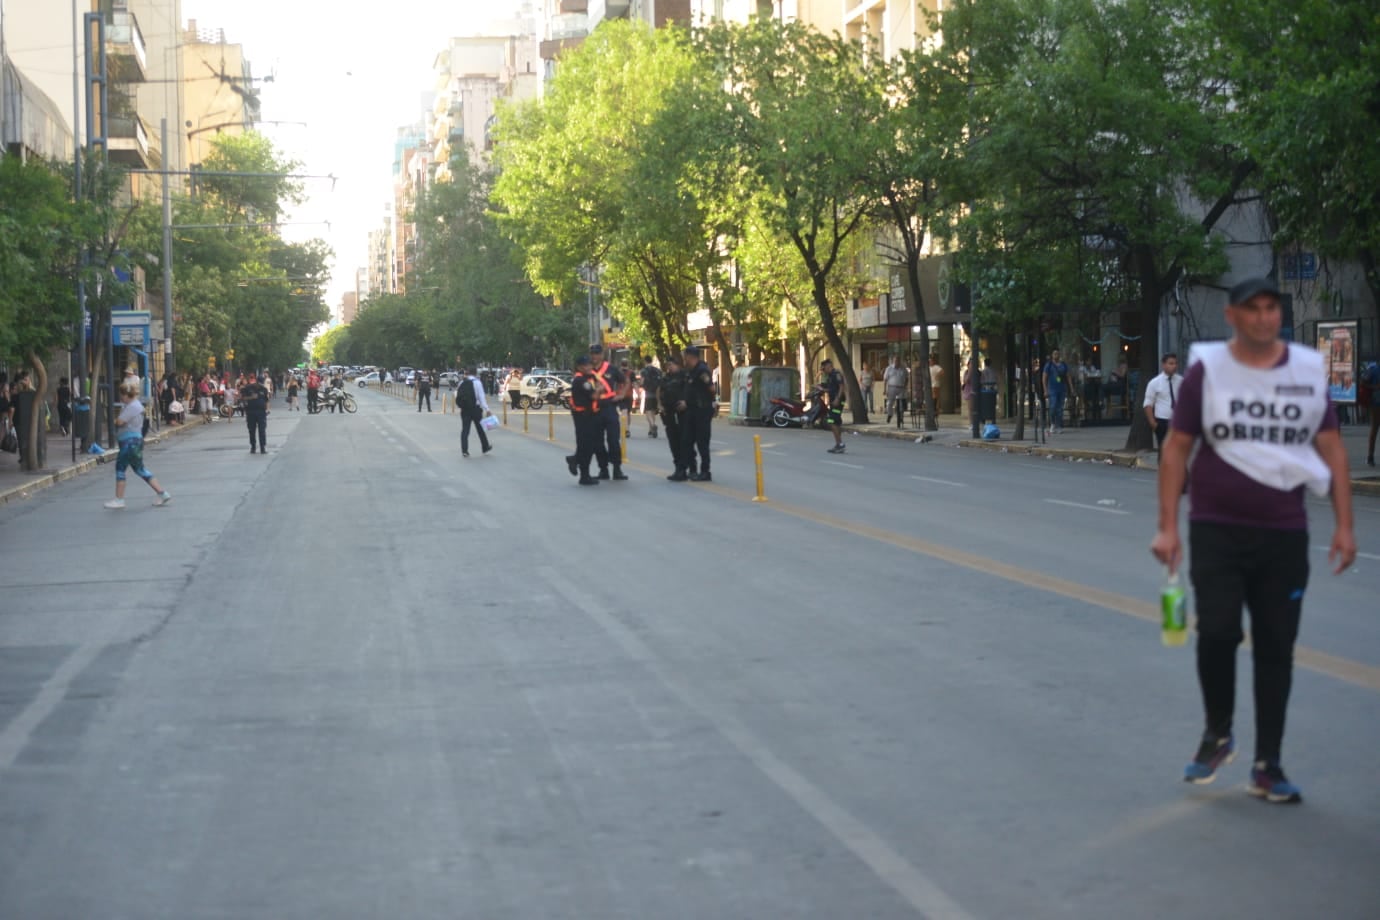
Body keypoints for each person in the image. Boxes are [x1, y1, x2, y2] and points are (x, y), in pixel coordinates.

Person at [1151, 277, 1355, 804]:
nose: (1264, 317)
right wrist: (1168, 525)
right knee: (1216, 632)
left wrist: (1346, 525)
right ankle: (1217, 732)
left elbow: (1331, 448)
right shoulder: (1208, 372)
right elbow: (1176, 448)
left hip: (1284, 536)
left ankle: (1269, 764)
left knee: (1275, 648)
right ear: (1232, 316)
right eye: (1253, 309)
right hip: (1217, 530)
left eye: (1271, 308)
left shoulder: (1307, 373)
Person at [104, 382, 172, 509]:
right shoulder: (135, 405)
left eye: (122, 395)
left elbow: (120, 421)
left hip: (129, 442)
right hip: (134, 442)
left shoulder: (132, 407)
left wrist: (115, 420)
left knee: (120, 468)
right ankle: (162, 493)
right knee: (140, 469)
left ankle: (119, 499)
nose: (121, 398)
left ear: (126, 395)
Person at [588, 343, 628, 480]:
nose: (595, 356)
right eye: (593, 353)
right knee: (597, 442)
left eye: (597, 353)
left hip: (610, 407)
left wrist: (621, 394)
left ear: (602, 354)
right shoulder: (588, 370)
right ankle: (603, 469)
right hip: (594, 409)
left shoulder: (611, 369)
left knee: (613, 439)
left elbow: (625, 381)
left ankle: (617, 469)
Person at [679, 345, 716, 481]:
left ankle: (705, 471)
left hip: (702, 411)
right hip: (691, 411)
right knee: (687, 441)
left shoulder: (702, 371)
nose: (683, 358)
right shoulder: (690, 371)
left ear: (690, 356)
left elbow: (711, 389)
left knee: (702, 443)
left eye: (685, 356)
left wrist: (708, 402)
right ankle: (692, 469)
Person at [564, 354, 602, 485]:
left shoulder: (585, 379)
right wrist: (599, 389)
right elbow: (594, 396)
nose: (589, 367)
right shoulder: (581, 381)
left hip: (586, 415)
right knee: (587, 445)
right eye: (586, 365)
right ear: (579, 367)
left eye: (589, 365)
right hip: (583, 417)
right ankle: (583, 474)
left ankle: (576, 462)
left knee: (587, 445)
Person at [657, 356, 690, 480]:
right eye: (668, 365)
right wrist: (659, 404)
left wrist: (686, 402)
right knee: (673, 441)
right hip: (669, 413)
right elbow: (659, 390)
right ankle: (678, 467)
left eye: (672, 364)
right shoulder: (666, 377)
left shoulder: (684, 376)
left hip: (682, 413)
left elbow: (691, 391)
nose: (669, 367)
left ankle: (684, 469)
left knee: (683, 441)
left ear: (678, 365)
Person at [1142, 353, 1183, 452]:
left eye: (1175, 363)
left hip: (1178, 421)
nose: (1174, 366)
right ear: (1163, 365)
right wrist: (1153, 424)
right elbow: (1148, 404)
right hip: (1162, 422)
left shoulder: (1181, 381)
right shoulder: (1155, 383)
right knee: (1164, 451)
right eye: (1171, 363)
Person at [455, 368, 493, 458]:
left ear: (466, 373)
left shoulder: (462, 383)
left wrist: (462, 405)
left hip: (465, 410)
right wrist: (487, 409)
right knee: (480, 429)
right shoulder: (477, 382)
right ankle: (485, 447)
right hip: (475, 409)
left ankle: (464, 450)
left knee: (465, 430)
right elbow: (481, 397)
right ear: (475, 373)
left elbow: (457, 395)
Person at [819, 359, 847, 453]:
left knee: (832, 421)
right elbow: (831, 389)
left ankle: (840, 444)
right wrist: (821, 389)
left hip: (838, 401)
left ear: (828, 366)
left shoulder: (836, 374)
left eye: (824, 368)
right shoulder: (830, 376)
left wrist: (837, 399)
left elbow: (841, 387)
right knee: (836, 422)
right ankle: (838, 443)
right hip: (834, 400)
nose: (823, 370)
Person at [241, 374, 270, 454]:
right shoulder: (248, 388)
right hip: (251, 412)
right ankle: (253, 446)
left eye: (262, 383)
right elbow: (242, 398)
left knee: (262, 430)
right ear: (257, 381)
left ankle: (262, 447)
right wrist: (251, 397)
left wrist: (267, 409)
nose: (260, 384)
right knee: (251, 430)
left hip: (261, 412)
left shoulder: (264, 389)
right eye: (259, 383)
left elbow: (266, 400)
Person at [1043, 348, 1070, 434]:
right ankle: (1052, 423)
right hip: (1052, 389)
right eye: (1054, 354)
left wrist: (1071, 387)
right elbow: (1044, 378)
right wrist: (1045, 390)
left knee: (1060, 408)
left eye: (1057, 354)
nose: (1056, 356)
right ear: (1052, 355)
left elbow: (1068, 376)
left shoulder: (1063, 365)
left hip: (1062, 389)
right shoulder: (1049, 365)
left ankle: (1059, 425)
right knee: (1053, 407)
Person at [1360, 359, 1379, 467]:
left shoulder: (1373, 369)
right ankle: (1370, 456)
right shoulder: (1373, 369)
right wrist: (1374, 387)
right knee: (1374, 428)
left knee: (1374, 429)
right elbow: (1362, 382)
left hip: (1376, 402)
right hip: (1376, 402)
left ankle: (1370, 457)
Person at [639, 356, 662, 438]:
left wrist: (640, 387)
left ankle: (652, 425)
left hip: (648, 392)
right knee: (652, 411)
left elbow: (642, 381)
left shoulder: (644, 371)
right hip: (657, 393)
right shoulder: (658, 370)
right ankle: (651, 430)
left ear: (645, 361)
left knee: (648, 411)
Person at [883, 356, 908, 427]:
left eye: (898, 361)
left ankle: (901, 418)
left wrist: (905, 386)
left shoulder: (903, 369)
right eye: (895, 361)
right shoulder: (889, 369)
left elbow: (906, 378)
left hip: (901, 388)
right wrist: (885, 389)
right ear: (893, 361)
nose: (897, 362)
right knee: (889, 404)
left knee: (901, 405)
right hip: (891, 387)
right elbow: (885, 379)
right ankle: (890, 414)